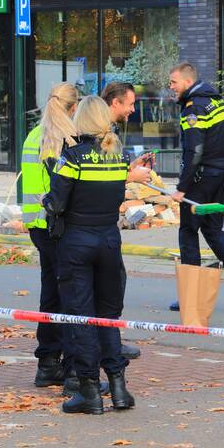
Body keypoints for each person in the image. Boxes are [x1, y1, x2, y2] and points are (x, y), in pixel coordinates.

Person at [43, 96, 151, 415]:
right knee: (108, 318)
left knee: (82, 317)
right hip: (108, 241)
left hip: (77, 242)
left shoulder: (73, 157)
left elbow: (57, 202)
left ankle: (89, 392)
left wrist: (46, 202)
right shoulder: (118, 157)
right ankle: (118, 387)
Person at [169, 62, 224, 309]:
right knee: (214, 231)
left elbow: (194, 151)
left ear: (187, 82)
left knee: (188, 232)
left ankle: (191, 296)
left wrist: (182, 188)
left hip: (200, 180)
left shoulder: (193, 108)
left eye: (174, 82)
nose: (171, 87)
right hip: (220, 176)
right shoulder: (216, 101)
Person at [23, 82, 79, 391]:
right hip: (60, 226)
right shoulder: (67, 139)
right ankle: (72, 369)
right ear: (73, 108)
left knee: (51, 292)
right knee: (70, 296)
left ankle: (47, 364)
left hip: (38, 226)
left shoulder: (34, 136)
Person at [100, 81, 143, 361]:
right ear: (115, 102)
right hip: (96, 224)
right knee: (112, 282)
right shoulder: (100, 131)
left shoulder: (107, 130)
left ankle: (109, 341)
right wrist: (130, 176)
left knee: (112, 281)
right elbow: (98, 173)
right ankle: (109, 346)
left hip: (99, 223)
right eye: (130, 103)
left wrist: (130, 168)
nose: (132, 109)